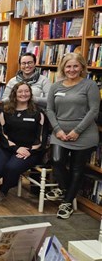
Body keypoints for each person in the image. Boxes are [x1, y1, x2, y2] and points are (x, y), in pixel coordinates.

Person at [45, 53, 100, 219]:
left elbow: (94, 111)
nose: (72, 69)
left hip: (84, 134)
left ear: (82, 67)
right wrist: (57, 129)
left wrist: (77, 131)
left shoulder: (90, 86)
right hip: (59, 132)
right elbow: (49, 110)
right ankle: (64, 189)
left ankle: (67, 203)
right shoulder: (56, 86)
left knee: (77, 169)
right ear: (63, 67)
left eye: (76, 66)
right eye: (68, 66)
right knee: (56, 160)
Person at [0, 82, 46, 204]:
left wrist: (30, 150)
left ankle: (4, 190)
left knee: (12, 167)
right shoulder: (5, 111)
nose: (24, 94)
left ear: (31, 94)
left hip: (30, 151)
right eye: (20, 91)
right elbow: (2, 134)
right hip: (7, 147)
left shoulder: (39, 113)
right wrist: (16, 148)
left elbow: (41, 138)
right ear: (14, 94)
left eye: (26, 91)